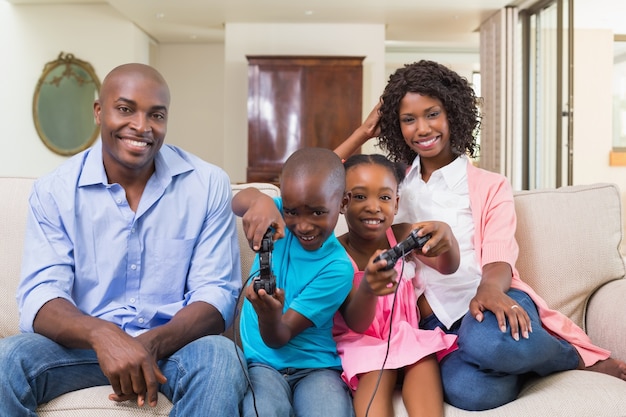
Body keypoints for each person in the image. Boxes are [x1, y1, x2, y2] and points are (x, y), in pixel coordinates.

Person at [334, 60, 626, 411]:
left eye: (432, 114)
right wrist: (364, 132)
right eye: (408, 119)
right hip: (433, 328)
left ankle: (570, 357)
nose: (422, 128)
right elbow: (317, 185)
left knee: (490, 342)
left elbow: (500, 255)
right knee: (469, 392)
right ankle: (517, 362)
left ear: (453, 115)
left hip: (488, 302)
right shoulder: (393, 185)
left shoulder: (490, 185)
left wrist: (489, 290)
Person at [0, 63, 247, 416]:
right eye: (126, 109)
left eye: (156, 115)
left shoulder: (207, 184)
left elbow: (217, 295)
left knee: (223, 358)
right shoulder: (54, 191)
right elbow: (41, 294)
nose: (142, 126)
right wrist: (104, 336)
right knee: (6, 360)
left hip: (172, 349)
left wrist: (150, 344)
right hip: (80, 349)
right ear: (99, 112)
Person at [332, 154, 459, 417]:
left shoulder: (401, 236)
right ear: (342, 202)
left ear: (396, 203)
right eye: (359, 196)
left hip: (403, 334)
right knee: (376, 371)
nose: (374, 206)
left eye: (385, 197)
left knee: (422, 359)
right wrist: (368, 286)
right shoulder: (335, 255)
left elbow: (447, 266)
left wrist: (448, 238)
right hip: (360, 343)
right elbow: (354, 320)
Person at [232, 147, 355, 417]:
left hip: (316, 368)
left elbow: (279, 336)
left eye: (317, 213)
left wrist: (268, 315)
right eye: (293, 212)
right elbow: (237, 200)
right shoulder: (277, 215)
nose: (302, 225)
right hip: (261, 365)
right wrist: (261, 201)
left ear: (343, 204)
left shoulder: (338, 268)